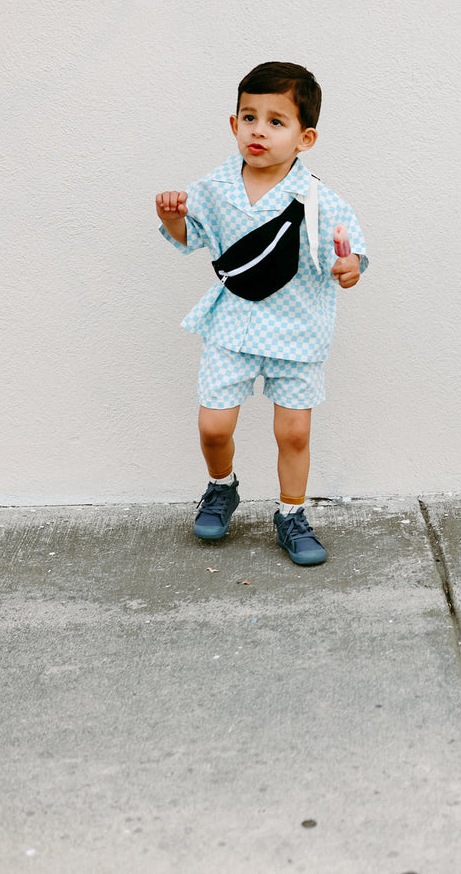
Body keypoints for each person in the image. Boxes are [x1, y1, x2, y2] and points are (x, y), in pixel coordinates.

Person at [154, 61, 367, 566]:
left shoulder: (317, 199)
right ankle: (221, 487)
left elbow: (352, 252)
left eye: (277, 121)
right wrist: (172, 218)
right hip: (231, 326)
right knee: (213, 426)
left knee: (293, 432)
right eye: (249, 117)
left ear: (304, 137)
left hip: (298, 330)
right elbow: (195, 239)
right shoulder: (214, 187)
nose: (259, 131)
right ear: (233, 125)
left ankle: (291, 514)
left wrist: (349, 266)